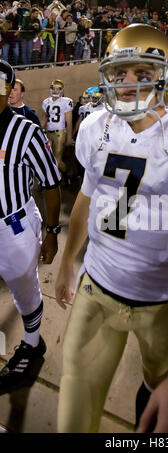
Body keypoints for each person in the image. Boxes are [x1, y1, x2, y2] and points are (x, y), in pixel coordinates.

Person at [55, 24, 168, 433]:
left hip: (163, 302)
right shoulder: (94, 128)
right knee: (73, 421)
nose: (127, 85)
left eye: (143, 74)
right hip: (95, 290)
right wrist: (68, 259)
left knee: (164, 404)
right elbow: (87, 195)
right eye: (120, 74)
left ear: (167, 75)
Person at [0, 60, 61, 387]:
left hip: (14, 226)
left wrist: (52, 232)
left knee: (24, 289)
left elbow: (51, 184)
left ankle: (33, 343)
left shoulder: (26, 130)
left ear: (10, 90)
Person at [41, 79, 73, 174]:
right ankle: (55, 177)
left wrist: (69, 137)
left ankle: (67, 174)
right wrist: (40, 131)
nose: (55, 91)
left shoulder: (66, 101)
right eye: (54, 89)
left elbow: (69, 121)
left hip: (60, 133)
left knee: (57, 161)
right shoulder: (46, 102)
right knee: (48, 158)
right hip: (48, 133)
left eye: (58, 89)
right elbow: (44, 118)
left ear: (61, 90)